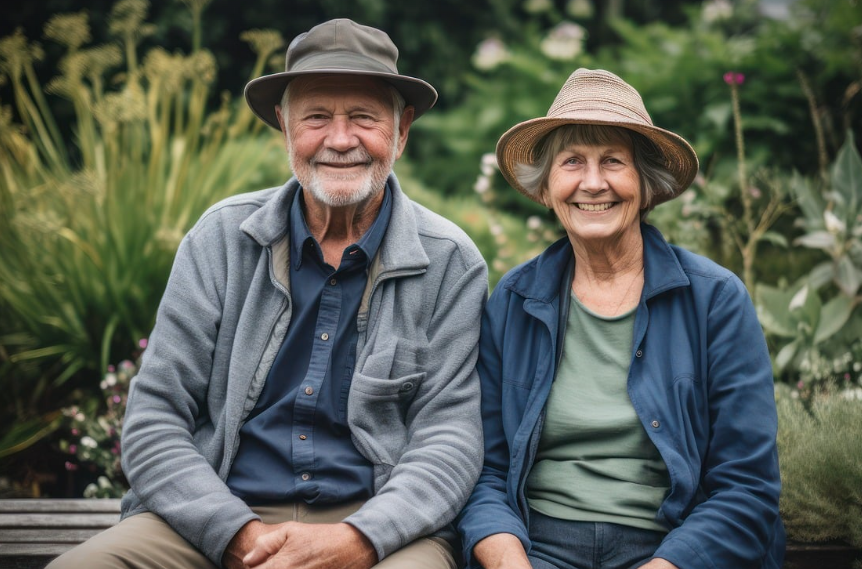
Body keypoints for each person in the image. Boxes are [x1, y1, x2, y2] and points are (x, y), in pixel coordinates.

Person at [49, 18, 488, 569]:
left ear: (401, 133)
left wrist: (357, 540)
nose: (340, 139)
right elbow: (154, 416)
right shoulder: (220, 239)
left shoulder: (450, 261)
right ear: (284, 127)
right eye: (317, 118)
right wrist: (238, 534)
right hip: (214, 510)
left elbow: (449, 441)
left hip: (377, 523)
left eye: (363, 118)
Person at [456, 68, 784, 569]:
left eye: (613, 161)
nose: (593, 182)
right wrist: (508, 560)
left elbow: (746, 486)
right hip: (539, 546)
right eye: (572, 162)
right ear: (546, 188)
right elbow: (485, 469)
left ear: (646, 186)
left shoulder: (716, 300)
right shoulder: (514, 301)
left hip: (672, 549)